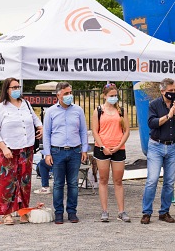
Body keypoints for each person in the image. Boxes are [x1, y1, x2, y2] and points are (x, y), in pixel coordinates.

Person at [0, 78, 43, 225]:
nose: (16, 89)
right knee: (6, 181)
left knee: (24, 181)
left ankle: (23, 211)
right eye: (13, 87)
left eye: (18, 87)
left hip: (26, 148)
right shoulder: (0, 108)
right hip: (7, 149)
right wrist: (4, 148)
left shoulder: (25, 104)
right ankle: (6, 213)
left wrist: (41, 128)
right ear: (7, 89)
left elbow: (35, 119)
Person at [141, 78, 175, 224]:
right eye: (170, 91)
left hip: (173, 146)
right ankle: (146, 212)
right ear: (162, 91)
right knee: (152, 180)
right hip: (156, 145)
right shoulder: (154, 104)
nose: (173, 93)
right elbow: (151, 123)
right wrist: (167, 116)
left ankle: (164, 212)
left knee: (169, 181)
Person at [43, 82, 88, 224]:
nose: (69, 96)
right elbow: (46, 133)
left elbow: (83, 131)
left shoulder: (78, 110)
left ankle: (72, 212)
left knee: (73, 183)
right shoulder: (50, 111)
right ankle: (58, 213)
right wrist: (47, 153)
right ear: (58, 95)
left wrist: (84, 149)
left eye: (70, 92)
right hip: (57, 151)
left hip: (75, 150)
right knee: (58, 184)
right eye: (66, 93)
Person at [91, 83, 131, 222]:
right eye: (111, 96)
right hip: (103, 148)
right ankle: (104, 211)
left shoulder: (122, 111)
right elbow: (95, 131)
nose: (114, 98)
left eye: (115, 96)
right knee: (103, 179)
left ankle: (121, 211)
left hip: (118, 148)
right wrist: (103, 147)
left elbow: (127, 131)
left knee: (118, 181)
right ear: (105, 96)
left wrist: (119, 144)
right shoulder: (98, 111)